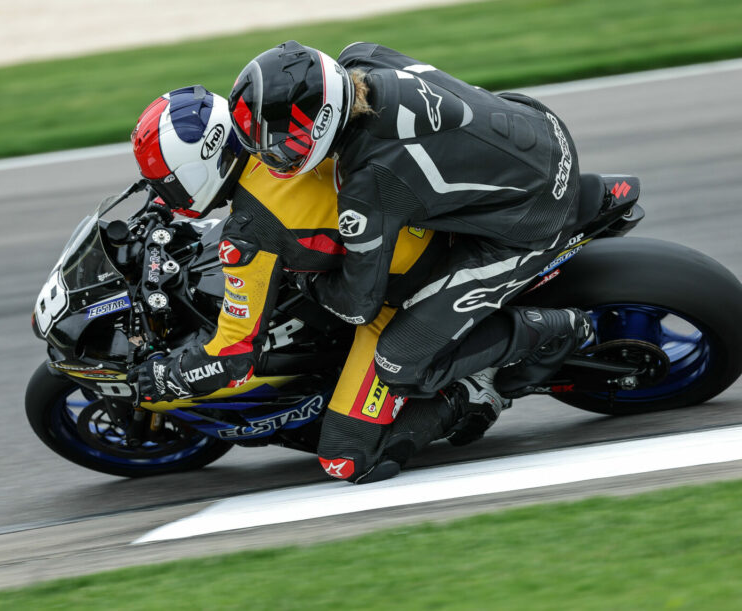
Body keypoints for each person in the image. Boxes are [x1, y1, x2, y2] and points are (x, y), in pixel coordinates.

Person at [126, 84, 511, 483]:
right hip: (437, 219)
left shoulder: (251, 232)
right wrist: (160, 204)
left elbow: (234, 358)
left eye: (169, 184)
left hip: (406, 295)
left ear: (204, 164)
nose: (167, 194)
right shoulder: (282, 141)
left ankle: (470, 390)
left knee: (346, 459)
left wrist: (168, 377)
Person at [226, 41, 593, 432]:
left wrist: (304, 277)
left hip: (533, 218)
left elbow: (358, 305)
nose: (275, 158)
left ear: (325, 119)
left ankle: (548, 336)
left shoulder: (371, 183)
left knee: (399, 362)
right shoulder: (360, 57)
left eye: (287, 144)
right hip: (536, 122)